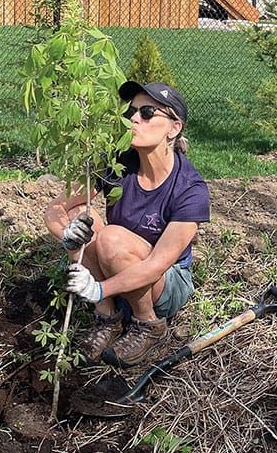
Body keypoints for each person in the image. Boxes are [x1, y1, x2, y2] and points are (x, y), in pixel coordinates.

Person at [43, 81, 210, 368]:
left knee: (111, 238)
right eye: (131, 112)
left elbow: (157, 265)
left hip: (164, 284)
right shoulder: (116, 164)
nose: (134, 119)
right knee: (80, 217)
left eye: (147, 112)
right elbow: (55, 209)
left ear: (174, 127)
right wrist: (67, 236)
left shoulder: (190, 190)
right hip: (117, 268)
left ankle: (148, 325)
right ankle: (108, 319)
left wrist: (99, 289)